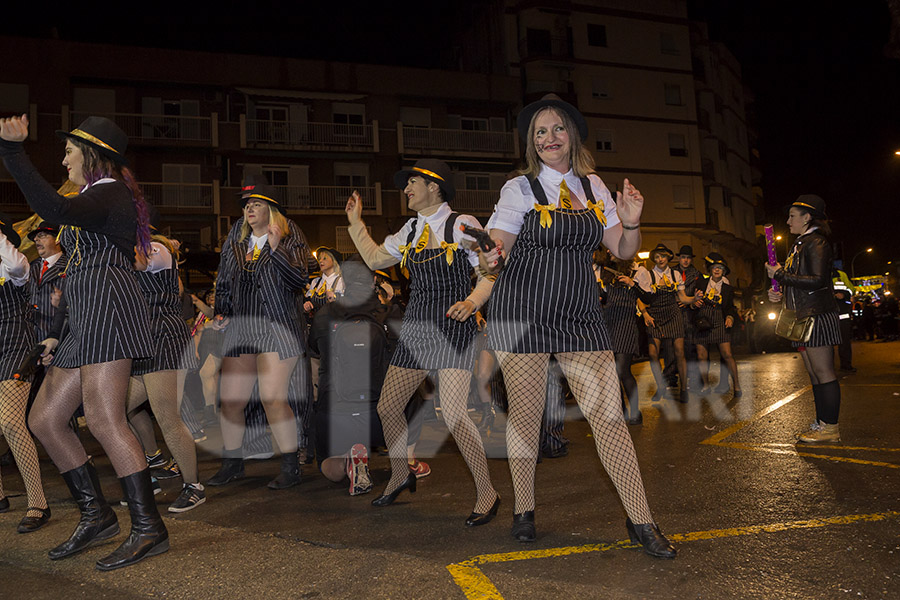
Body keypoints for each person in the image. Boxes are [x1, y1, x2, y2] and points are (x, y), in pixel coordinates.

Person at [480, 94, 675, 557]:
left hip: (581, 316)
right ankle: (524, 509)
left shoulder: (593, 187)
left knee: (609, 418)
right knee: (526, 417)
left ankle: (641, 521)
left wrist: (631, 223)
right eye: (540, 132)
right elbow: (498, 244)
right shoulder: (519, 190)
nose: (549, 138)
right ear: (532, 142)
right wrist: (489, 253)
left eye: (557, 129)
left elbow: (624, 251)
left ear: (572, 136)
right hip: (523, 314)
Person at [0, 115, 167, 570]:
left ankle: (149, 528)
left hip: (110, 309)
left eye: (69, 150)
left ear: (92, 154)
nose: (63, 158)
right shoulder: (97, 194)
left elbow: (56, 212)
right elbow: (70, 241)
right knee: (45, 418)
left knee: (103, 418)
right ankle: (97, 515)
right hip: (86, 315)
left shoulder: (109, 190)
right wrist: (58, 329)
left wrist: (13, 152)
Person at [345, 158, 499, 526]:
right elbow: (375, 257)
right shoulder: (411, 229)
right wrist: (355, 224)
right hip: (416, 327)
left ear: (435, 186)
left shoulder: (463, 225)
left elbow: (489, 274)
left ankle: (487, 492)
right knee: (388, 406)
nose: (406, 189)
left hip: (451, 326)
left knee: (456, 414)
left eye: (412, 182)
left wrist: (472, 302)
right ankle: (401, 474)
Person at [206, 175, 312, 489]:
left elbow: (300, 279)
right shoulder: (236, 238)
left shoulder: (289, 233)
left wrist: (276, 248)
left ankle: (291, 467)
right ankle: (233, 463)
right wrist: (222, 311)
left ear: (271, 209)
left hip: (278, 326)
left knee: (272, 397)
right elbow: (223, 279)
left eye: (256, 204)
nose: (249, 209)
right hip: (244, 326)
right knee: (231, 400)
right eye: (247, 205)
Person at [125, 227, 204, 512]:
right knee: (114, 411)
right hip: (143, 342)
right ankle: (149, 475)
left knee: (167, 416)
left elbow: (140, 262)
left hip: (164, 338)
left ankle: (194, 486)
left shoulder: (157, 251)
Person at [766, 195, 843, 443]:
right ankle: (822, 424)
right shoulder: (801, 243)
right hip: (803, 315)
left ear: (807, 217)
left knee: (823, 371)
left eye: (792, 216)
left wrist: (780, 275)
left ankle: (830, 427)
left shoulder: (816, 242)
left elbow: (819, 280)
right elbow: (797, 280)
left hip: (817, 315)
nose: (788, 221)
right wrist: (777, 291)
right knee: (813, 372)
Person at [308, 258, 385, 496]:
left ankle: (346, 461)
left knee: (331, 472)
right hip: (378, 414)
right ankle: (409, 456)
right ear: (374, 281)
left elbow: (314, 351)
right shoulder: (388, 313)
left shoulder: (324, 314)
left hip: (335, 407)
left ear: (343, 281)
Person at [0, 216, 50, 533]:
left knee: (9, 421)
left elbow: (17, 267)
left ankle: (39, 503)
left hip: (15, 345)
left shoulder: (14, 266)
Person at [635, 244, 699, 403]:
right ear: (654, 259)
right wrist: (645, 314)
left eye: (663, 256)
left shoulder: (675, 274)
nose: (660, 259)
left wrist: (694, 299)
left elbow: (683, 298)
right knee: (653, 354)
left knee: (679, 351)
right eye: (657, 257)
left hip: (673, 313)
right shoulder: (647, 275)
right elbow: (638, 296)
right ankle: (661, 386)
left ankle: (684, 389)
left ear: (668, 257)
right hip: (654, 315)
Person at [600, 256, 653, 425]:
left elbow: (649, 298)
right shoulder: (605, 271)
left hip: (626, 325)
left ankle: (636, 412)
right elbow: (603, 298)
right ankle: (620, 412)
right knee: (611, 375)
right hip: (608, 324)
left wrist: (632, 283)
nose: (609, 250)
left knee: (622, 370)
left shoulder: (638, 271)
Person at [693, 253, 742, 397]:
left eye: (720, 268)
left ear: (724, 271)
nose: (717, 270)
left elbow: (730, 307)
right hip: (702, 319)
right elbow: (692, 298)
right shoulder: (701, 283)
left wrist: (730, 317)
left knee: (727, 354)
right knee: (702, 355)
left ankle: (737, 386)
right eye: (714, 267)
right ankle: (706, 385)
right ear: (710, 269)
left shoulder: (727, 288)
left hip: (719, 319)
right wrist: (694, 302)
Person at [670, 245, 703, 391]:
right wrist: (677, 301)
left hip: (690, 315)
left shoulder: (696, 274)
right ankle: (671, 378)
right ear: (679, 258)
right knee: (673, 348)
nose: (685, 260)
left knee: (690, 348)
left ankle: (692, 378)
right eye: (683, 257)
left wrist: (689, 303)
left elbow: (700, 293)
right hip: (674, 313)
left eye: (688, 258)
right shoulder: (671, 272)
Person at [833, 289, 856, 372]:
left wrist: (844, 295)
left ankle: (845, 365)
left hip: (841, 320)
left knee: (844, 344)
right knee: (828, 345)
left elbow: (850, 291)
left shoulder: (842, 277)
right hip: (834, 318)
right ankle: (828, 367)